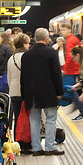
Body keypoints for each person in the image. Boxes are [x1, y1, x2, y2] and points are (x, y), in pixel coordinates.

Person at [20, 28, 65, 156]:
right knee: (50, 119)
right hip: (48, 93)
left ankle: (36, 148)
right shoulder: (51, 53)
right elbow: (57, 74)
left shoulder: (26, 55)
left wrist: (24, 95)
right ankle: (50, 148)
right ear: (46, 39)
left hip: (31, 93)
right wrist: (59, 91)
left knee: (34, 119)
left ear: (34, 38)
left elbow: (23, 77)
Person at [6, 33, 31, 151]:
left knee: (17, 118)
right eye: (27, 43)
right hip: (25, 91)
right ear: (24, 44)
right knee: (27, 118)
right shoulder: (28, 57)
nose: (29, 45)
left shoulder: (11, 58)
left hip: (13, 91)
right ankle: (27, 143)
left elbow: (9, 78)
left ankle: (18, 143)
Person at [59, 23, 81, 93]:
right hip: (77, 67)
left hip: (72, 69)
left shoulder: (69, 40)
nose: (62, 32)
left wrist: (65, 67)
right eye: (61, 30)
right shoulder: (74, 39)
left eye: (64, 30)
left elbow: (69, 55)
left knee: (68, 89)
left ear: (69, 30)